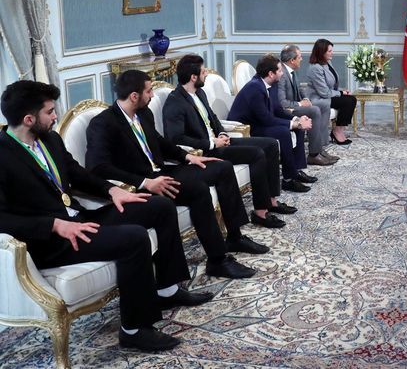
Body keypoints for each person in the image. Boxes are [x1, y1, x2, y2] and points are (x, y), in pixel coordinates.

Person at [0, 81, 213, 352]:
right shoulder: (3, 155)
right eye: (50, 112)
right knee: (134, 238)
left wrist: (112, 191)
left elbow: (76, 173)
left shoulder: (49, 139)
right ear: (29, 119)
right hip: (50, 241)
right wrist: (53, 225)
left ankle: (167, 290)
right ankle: (134, 330)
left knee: (159, 207)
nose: (55, 117)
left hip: (79, 218)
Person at [86, 70, 264, 280]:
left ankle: (234, 237)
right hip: (142, 183)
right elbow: (98, 167)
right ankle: (218, 261)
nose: (152, 95)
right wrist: (144, 182)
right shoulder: (103, 123)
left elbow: (160, 142)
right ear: (134, 96)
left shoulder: (143, 114)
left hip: (163, 171)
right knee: (198, 190)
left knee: (222, 167)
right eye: (149, 91)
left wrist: (188, 157)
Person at [162, 54, 294, 229]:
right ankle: (261, 213)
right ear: (193, 77)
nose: (206, 74)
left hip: (220, 141)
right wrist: (212, 143)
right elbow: (176, 138)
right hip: (206, 150)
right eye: (203, 72)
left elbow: (213, 118)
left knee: (270, 144)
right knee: (257, 154)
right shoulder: (175, 102)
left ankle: (271, 201)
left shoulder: (199, 92)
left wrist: (222, 133)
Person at [228, 54, 317, 193]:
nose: (282, 73)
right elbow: (266, 119)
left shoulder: (271, 84)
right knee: (284, 132)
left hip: (260, 123)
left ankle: (296, 171)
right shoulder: (255, 88)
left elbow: (277, 110)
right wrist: (295, 124)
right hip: (247, 128)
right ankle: (288, 180)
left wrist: (297, 120)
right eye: (280, 70)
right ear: (271, 73)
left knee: (297, 128)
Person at [277, 44, 338, 165]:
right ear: (292, 60)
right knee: (314, 110)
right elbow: (282, 103)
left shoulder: (292, 70)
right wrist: (300, 104)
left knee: (321, 105)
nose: (301, 59)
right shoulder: (281, 74)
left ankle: (319, 148)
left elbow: (300, 89)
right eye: (299, 57)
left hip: (294, 105)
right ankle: (314, 154)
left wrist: (305, 98)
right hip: (286, 110)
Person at [306, 38, 357, 145]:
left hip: (327, 95)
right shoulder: (315, 68)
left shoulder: (327, 63)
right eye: (329, 51)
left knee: (351, 99)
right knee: (348, 101)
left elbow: (331, 85)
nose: (332, 53)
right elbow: (324, 92)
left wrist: (341, 91)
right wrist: (341, 93)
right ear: (321, 52)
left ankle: (339, 130)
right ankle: (337, 132)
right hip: (319, 98)